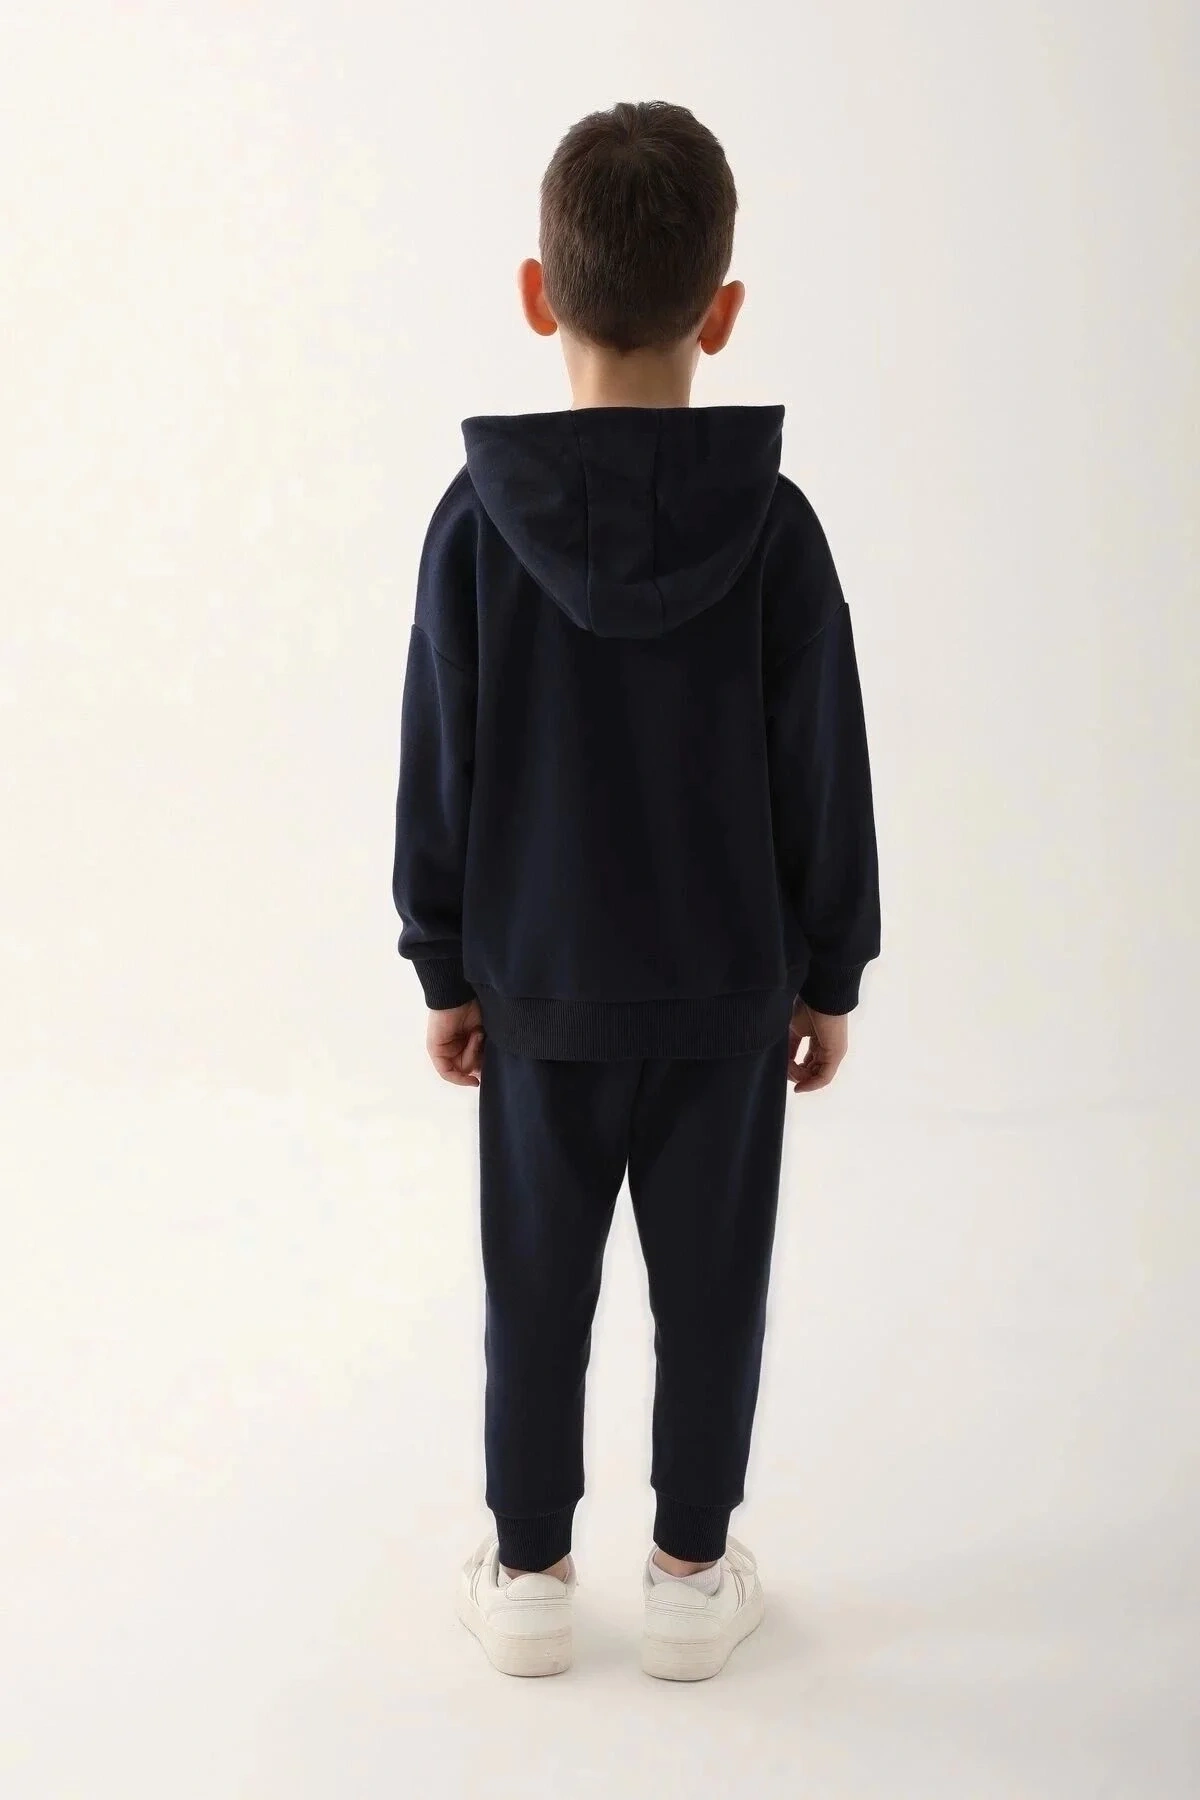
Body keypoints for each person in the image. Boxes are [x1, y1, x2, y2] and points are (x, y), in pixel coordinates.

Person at [391, 100, 880, 1681]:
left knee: (533, 1289)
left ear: (540, 292)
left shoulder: (475, 524)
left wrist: (443, 965)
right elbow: (823, 764)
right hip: (729, 993)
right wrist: (831, 973)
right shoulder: (777, 532)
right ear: (719, 312)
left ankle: (532, 1576)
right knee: (715, 1292)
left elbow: (440, 757)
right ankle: (687, 1575)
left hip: (539, 991)